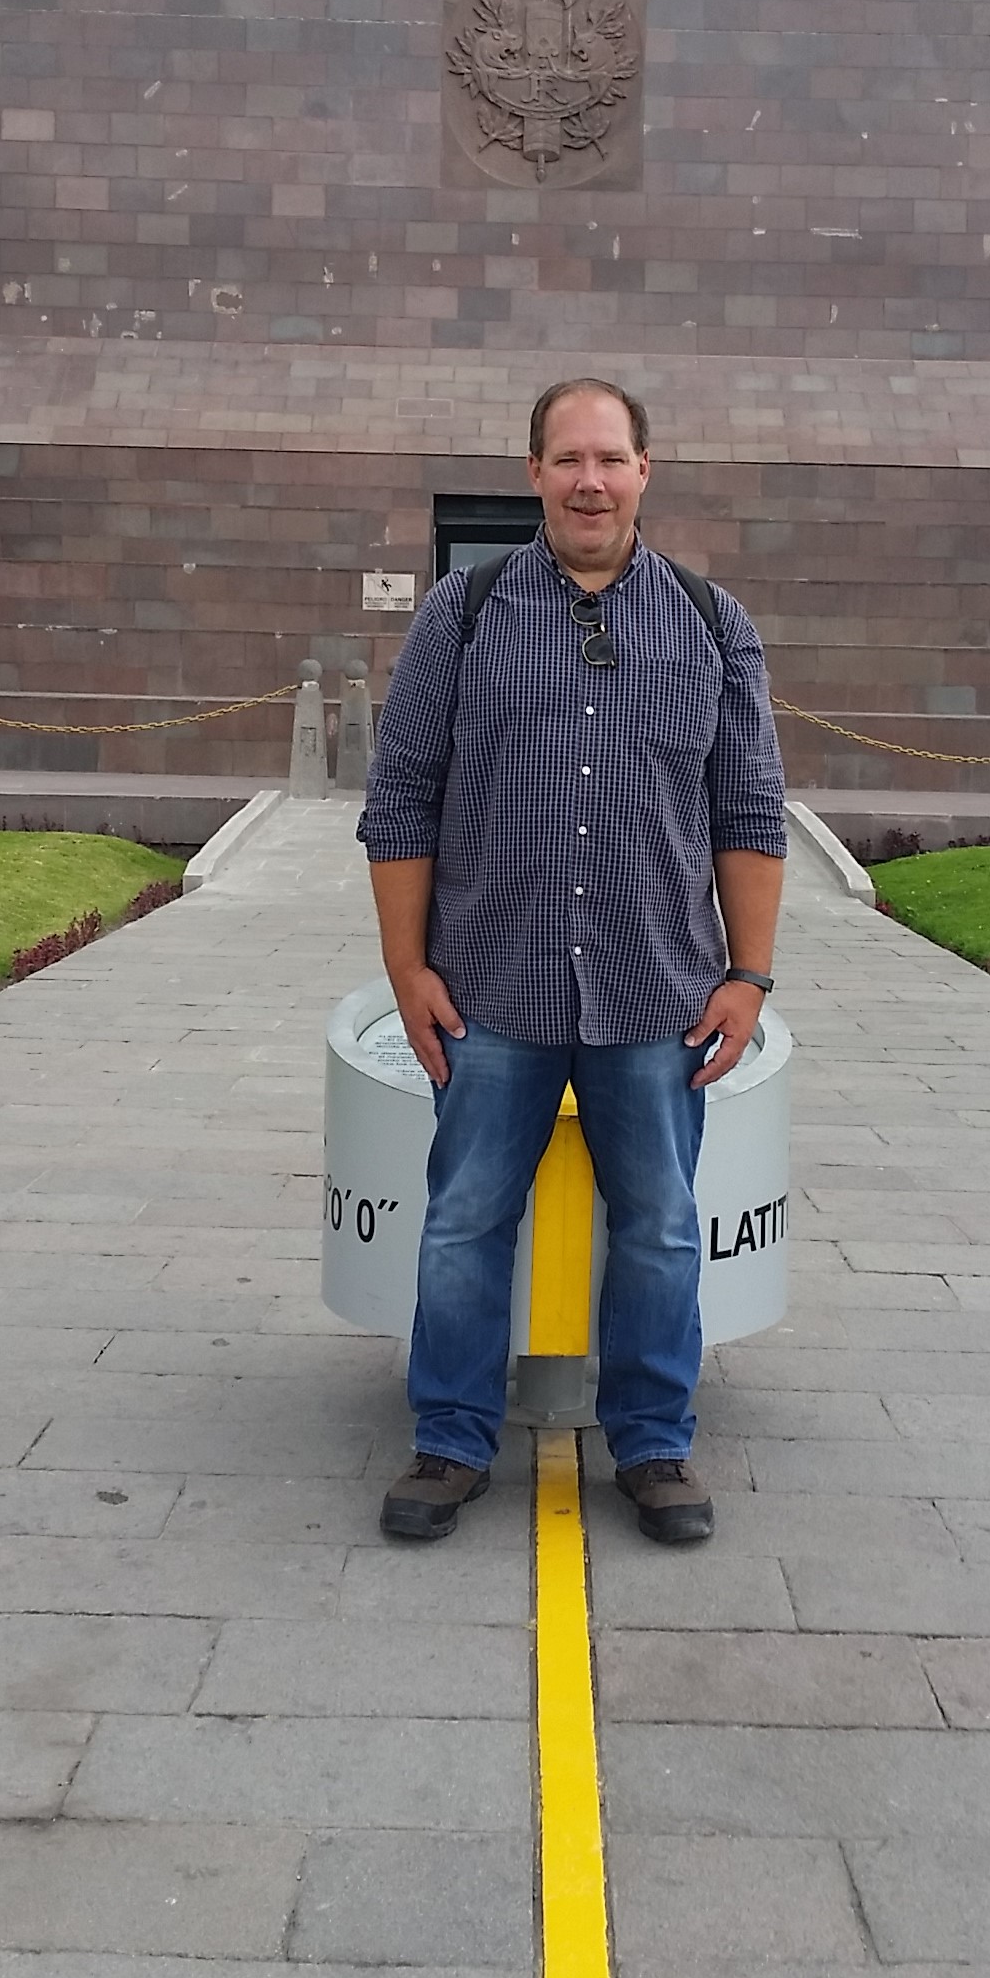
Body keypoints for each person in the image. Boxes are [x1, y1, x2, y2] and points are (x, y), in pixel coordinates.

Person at [357, 376, 787, 1546]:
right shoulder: (462, 615)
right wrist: (406, 971)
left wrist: (748, 975)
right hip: (492, 990)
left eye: (609, 459)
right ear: (534, 473)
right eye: (567, 460)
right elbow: (401, 797)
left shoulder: (711, 623)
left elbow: (751, 808)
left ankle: (653, 1443)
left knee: (660, 1227)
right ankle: (451, 1439)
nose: (589, 481)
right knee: (463, 1223)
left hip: (657, 993)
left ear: (646, 470)